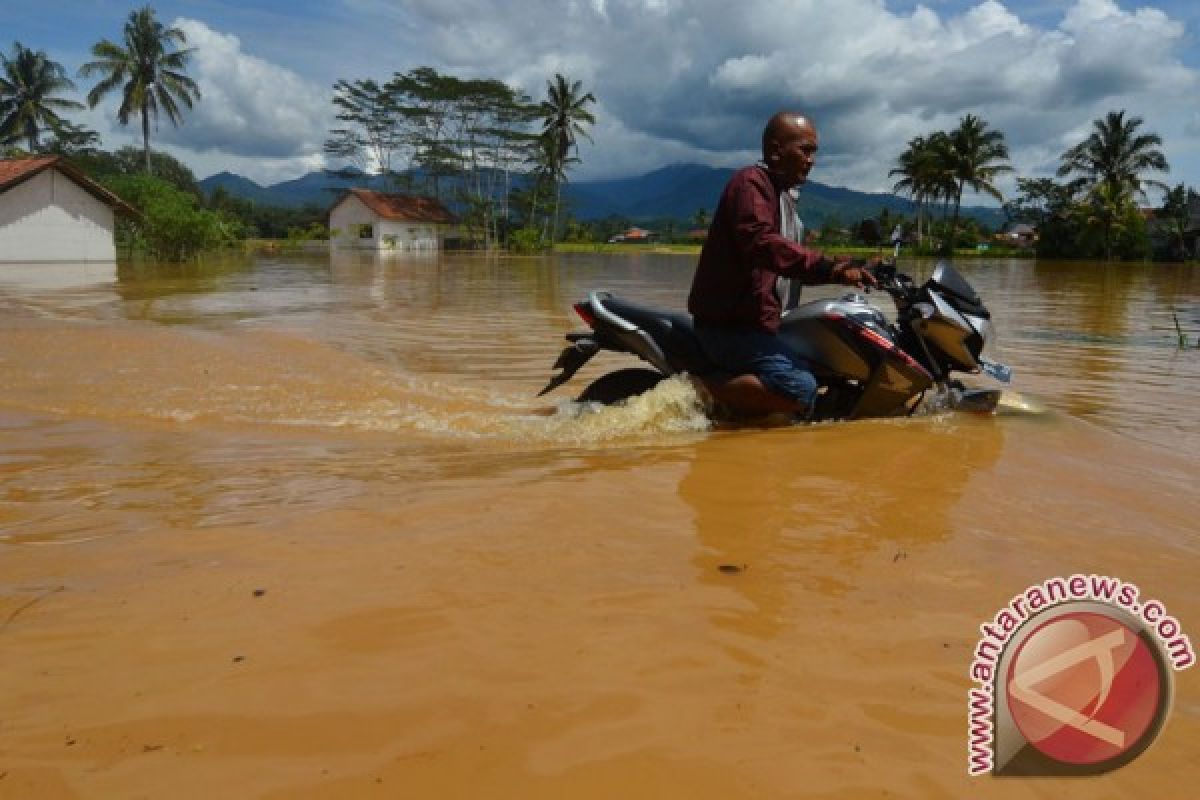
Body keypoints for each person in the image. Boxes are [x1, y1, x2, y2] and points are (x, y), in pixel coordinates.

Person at [687, 111, 877, 418]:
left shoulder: (783, 198)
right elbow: (763, 244)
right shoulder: (751, 184)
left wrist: (847, 268)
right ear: (776, 150)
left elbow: (792, 261)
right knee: (800, 388)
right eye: (805, 150)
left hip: (759, 324)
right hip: (729, 327)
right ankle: (691, 390)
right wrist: (831, 268)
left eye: (814, 152)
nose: (811, 160)